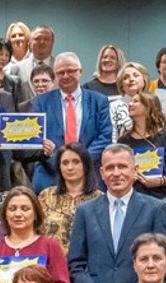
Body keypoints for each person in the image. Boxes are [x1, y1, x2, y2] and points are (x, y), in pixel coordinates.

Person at [68, 145, 166, 283]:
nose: (116, 173)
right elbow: (76, 265)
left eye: (122, 166)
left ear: (135, 171)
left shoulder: (155, 209)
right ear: (101, 173)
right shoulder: (85, 211)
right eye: (110, 168)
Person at [30, 53, 114, 191]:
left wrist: (81, 161)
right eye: (61, 72)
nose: (65, 75)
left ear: (80, 71)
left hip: (90, 175)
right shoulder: (41, 102)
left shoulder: (99, 101)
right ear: (55, 76)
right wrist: (61, 162)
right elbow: (37, 138)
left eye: (70, 71)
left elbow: (105, 137)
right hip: (49, 175)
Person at [119, 90, 166, 201]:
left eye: (136, 101)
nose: (130, 104)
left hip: (161, 198)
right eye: (131, 101)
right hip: (131, 198)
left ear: (148, 107)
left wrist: (162, 180)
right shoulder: (123, 141)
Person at [37, 143, 101, 253]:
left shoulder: (100, 199)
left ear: (85, 165)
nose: (70, 167)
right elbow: (36, 232)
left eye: (76, 162)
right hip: (51, 260)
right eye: (65, 163)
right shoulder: (45, 196)